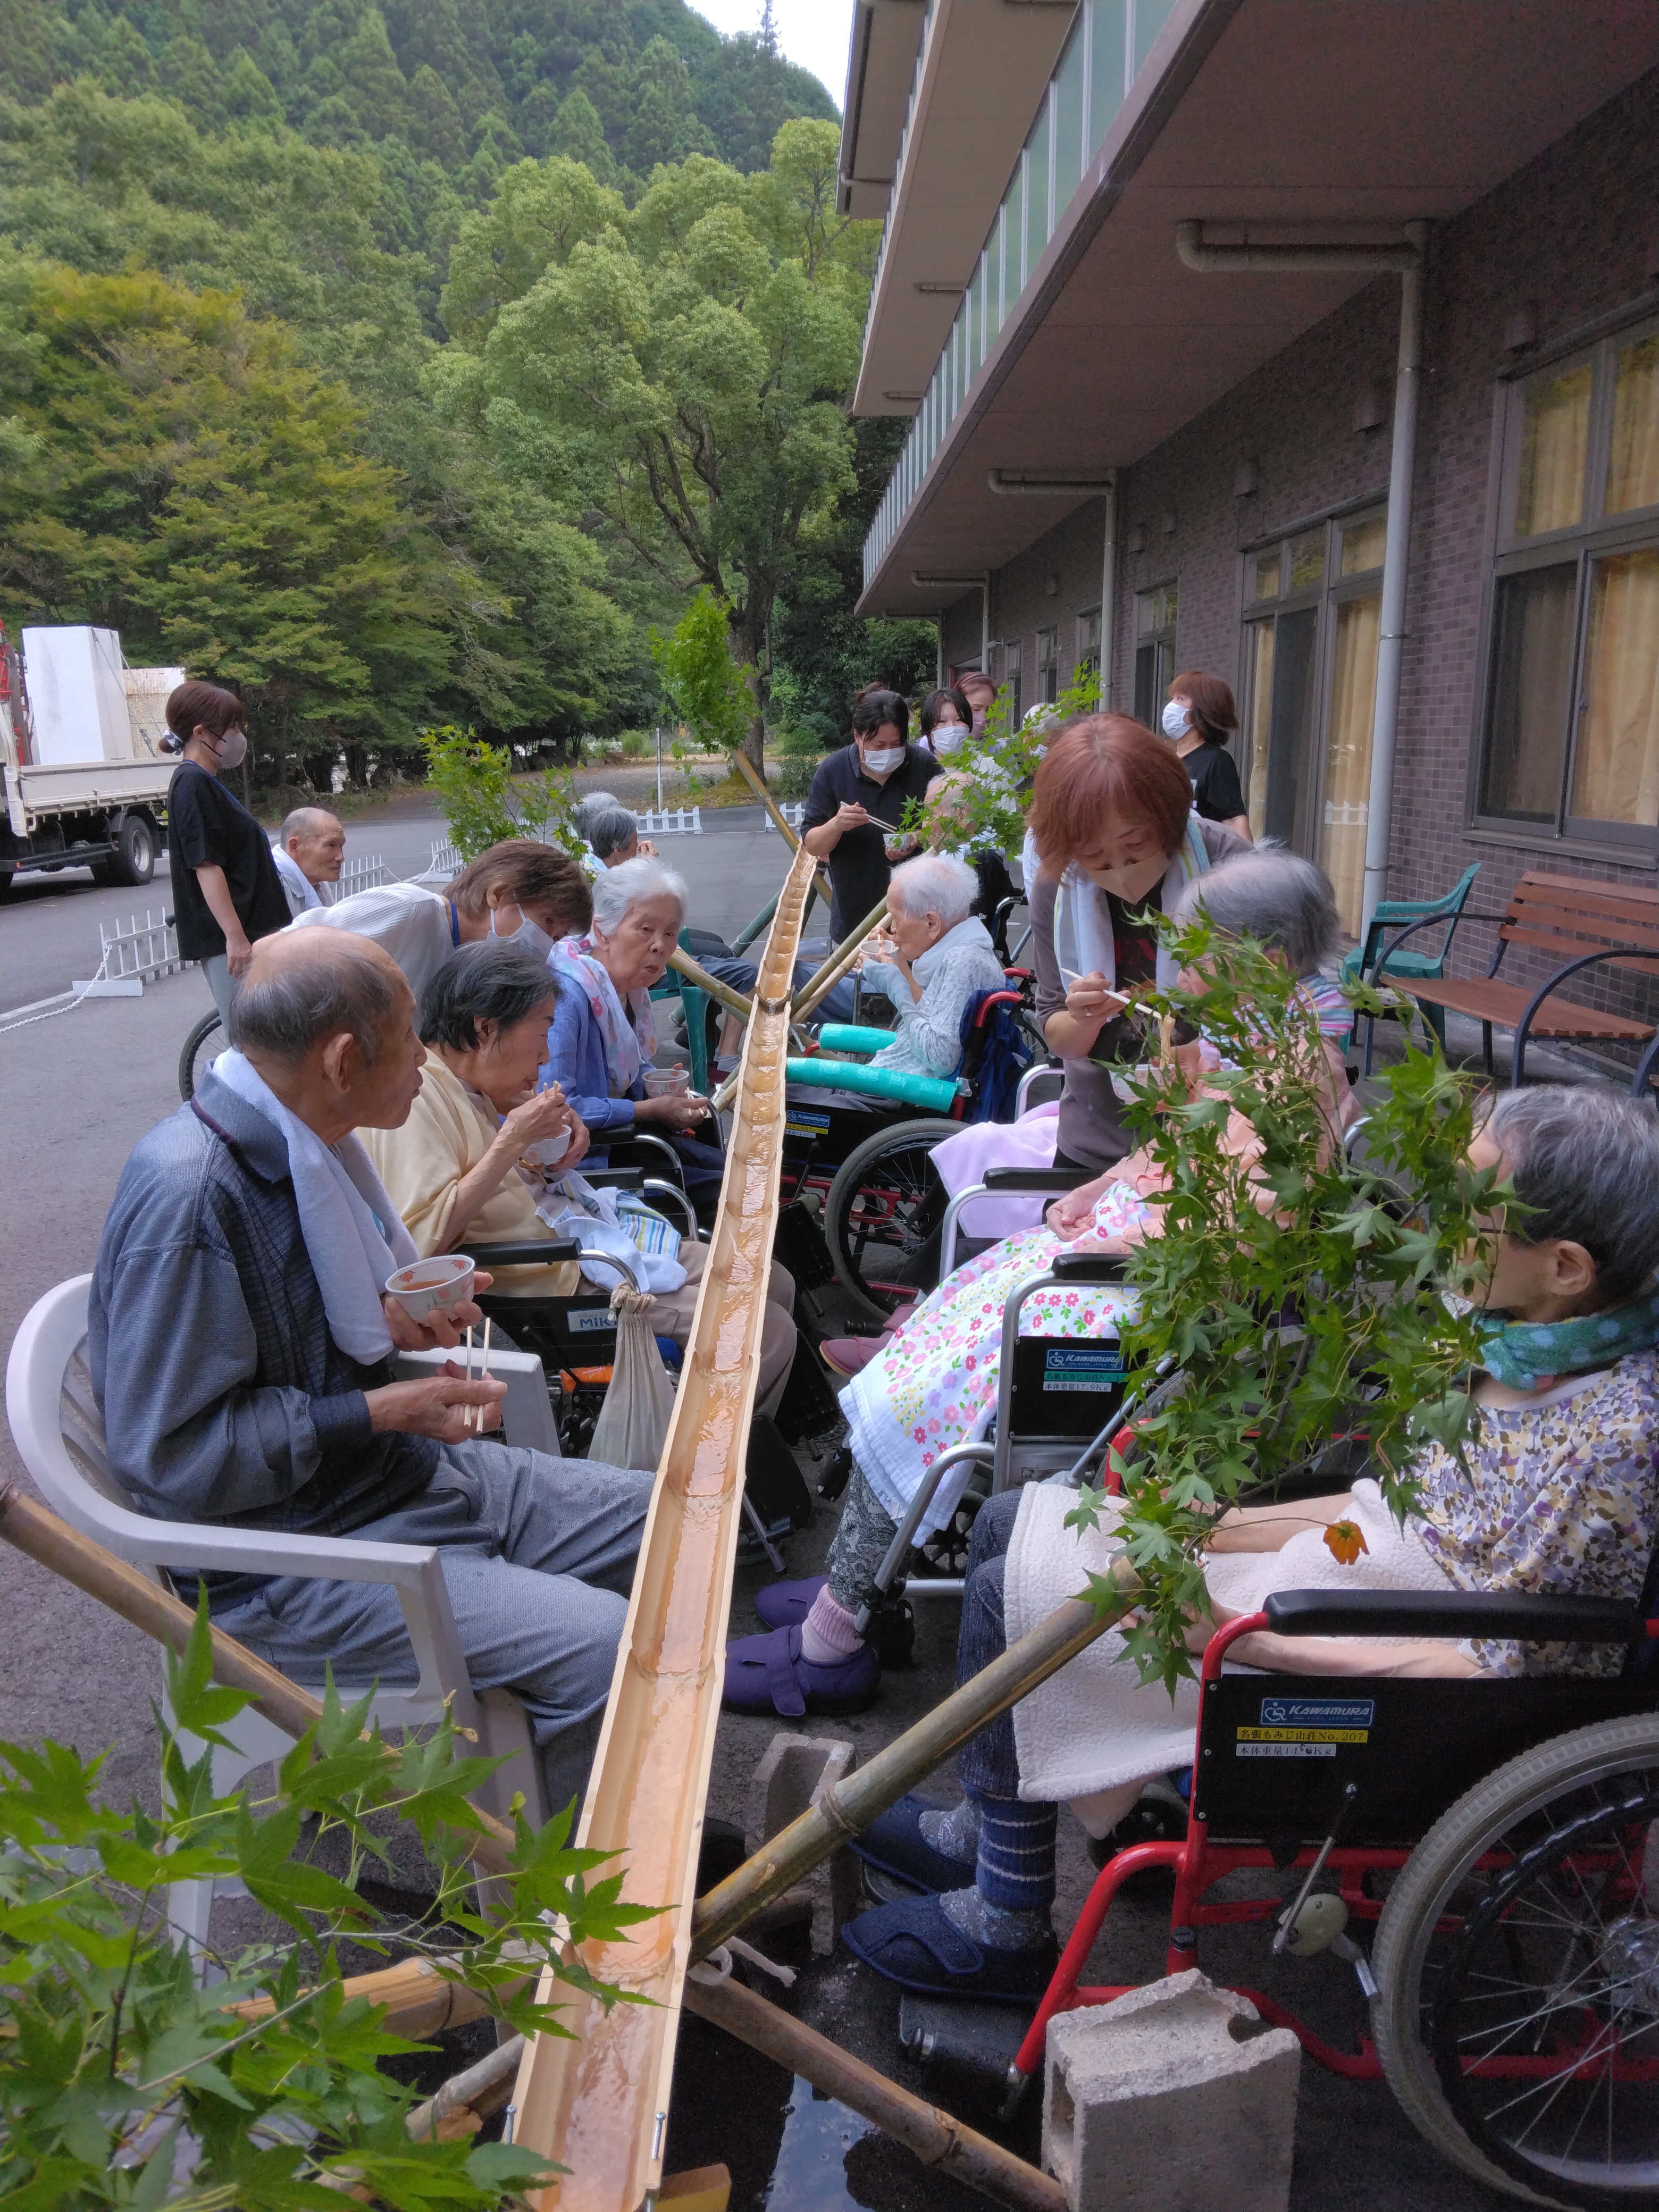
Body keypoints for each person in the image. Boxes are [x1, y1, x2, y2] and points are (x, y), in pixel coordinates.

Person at [837, 1083, 1659, 2000]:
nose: (1441, 1221)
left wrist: (1237, 1630)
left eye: (1473, 1207)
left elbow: (1507, 1665)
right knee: (1006, 1521)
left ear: (1566, 1268)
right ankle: (985, 1828)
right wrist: (1220, 1526)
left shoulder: (1616, 1439)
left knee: (1002, 1590)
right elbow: (1381, 1513)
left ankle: (1009, 1915)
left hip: (1368, 1670)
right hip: (1335, 1581)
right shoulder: (1511, 1345)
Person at [725, 849, 1355, 1720]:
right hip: (1121, 1251)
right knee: (924, 1344)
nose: (1185, 955)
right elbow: (1167, 1145)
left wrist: (1120, 1225)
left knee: (927, 1386)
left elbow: (1248, 1234)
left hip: (1151, 1291)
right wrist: (1099, 1189)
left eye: (1203, 943)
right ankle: (859, 1581)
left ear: (1267, 958)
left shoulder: (1299, 1077)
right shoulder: (1244, 1039)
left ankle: (836, 1636)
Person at [87, 928, 656, 1815]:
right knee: (604, 1645)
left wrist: (394, 1326)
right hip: (302, 1563)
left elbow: (303, 1343)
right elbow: (174, 1459)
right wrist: (380, 1410)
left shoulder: (308, 1146)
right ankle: (552, 1896)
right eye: (409, 1046)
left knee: (673, 1526)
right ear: (345, 1059)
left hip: (396, 1486)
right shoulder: (194, 1195)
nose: (427, 1068)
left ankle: (575, 1806)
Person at [364, 942, 801, 1415]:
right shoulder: (421, 1098)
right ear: (486, 1028)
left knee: (771, 1279)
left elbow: (521, 1182)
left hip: (583, 1239)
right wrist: (513, 1140)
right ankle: (708, 1465)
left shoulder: (481, 1087)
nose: (548, 1053)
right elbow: (420, 1247)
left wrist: (551, 1139)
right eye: (544, 1030)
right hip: (556, 1284)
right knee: (767, 1331)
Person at [1031, 714, 1251, 1177]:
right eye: (1094, 857)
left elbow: (1278, 1019)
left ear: (1167, 815)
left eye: (1135, 847)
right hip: (1096, 1143)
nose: (1120, 871)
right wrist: (1084, 1019)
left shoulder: (1231, 868)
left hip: (1221, 1145)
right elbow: (1057, 1030)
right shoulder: (1058, 886)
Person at [289, 838, 591, 1007]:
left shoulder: (472, 965)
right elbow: (284, 953)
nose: (545, 943)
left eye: (556, 938)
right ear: (498, 894)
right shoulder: (411, 910)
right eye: (547, 921)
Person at [163, 681, 290, 1025]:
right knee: (252, 1041)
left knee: (264, 1036)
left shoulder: (205, 782)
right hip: (232, 941)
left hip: (250, 934)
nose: (237, 735)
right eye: (230, 727)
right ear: (201, 732)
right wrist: (235, 937)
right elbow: (206, 865)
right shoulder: (192, 784)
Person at [801, 689, 944, 944]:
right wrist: (837, 825)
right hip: (854, 920)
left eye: (896, 744)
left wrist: (917, 838)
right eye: (879, 745)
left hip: (918, 919)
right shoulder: (833, 771)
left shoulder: (924, 765)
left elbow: (949, 830)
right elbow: (812, 845)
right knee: (858, 983)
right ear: (858, 737)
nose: (888, 751)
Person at [856, 853, 1008, 1082]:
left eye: (896, 918)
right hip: (895, 1084)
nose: (893, 928)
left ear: (931, 923)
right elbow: (930, 1014)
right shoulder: (961, 952)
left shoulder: (963, 962)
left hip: (898, 1094)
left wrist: (897, 986)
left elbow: (941, 1057)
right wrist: (898, 963)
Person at [1162, 671, 1251, 837]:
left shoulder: (1216, 761)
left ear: (1202, 710)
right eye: (1173, 698)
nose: (1171, 706)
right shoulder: (1164, 760)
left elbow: (1233, 820)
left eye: (1180, 699)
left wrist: (1250, 861)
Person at [272, 806, 346, 916]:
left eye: (341, 846)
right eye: (331, 845)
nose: (341, 857)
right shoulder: (271, 889)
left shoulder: (316, 885)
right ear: (295, 846)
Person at [915, 686, 974, 761]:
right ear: (928, 729)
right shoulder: (922, 770)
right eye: (942, 721)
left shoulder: (987, 767)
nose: (951, 728)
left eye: (959, 720)